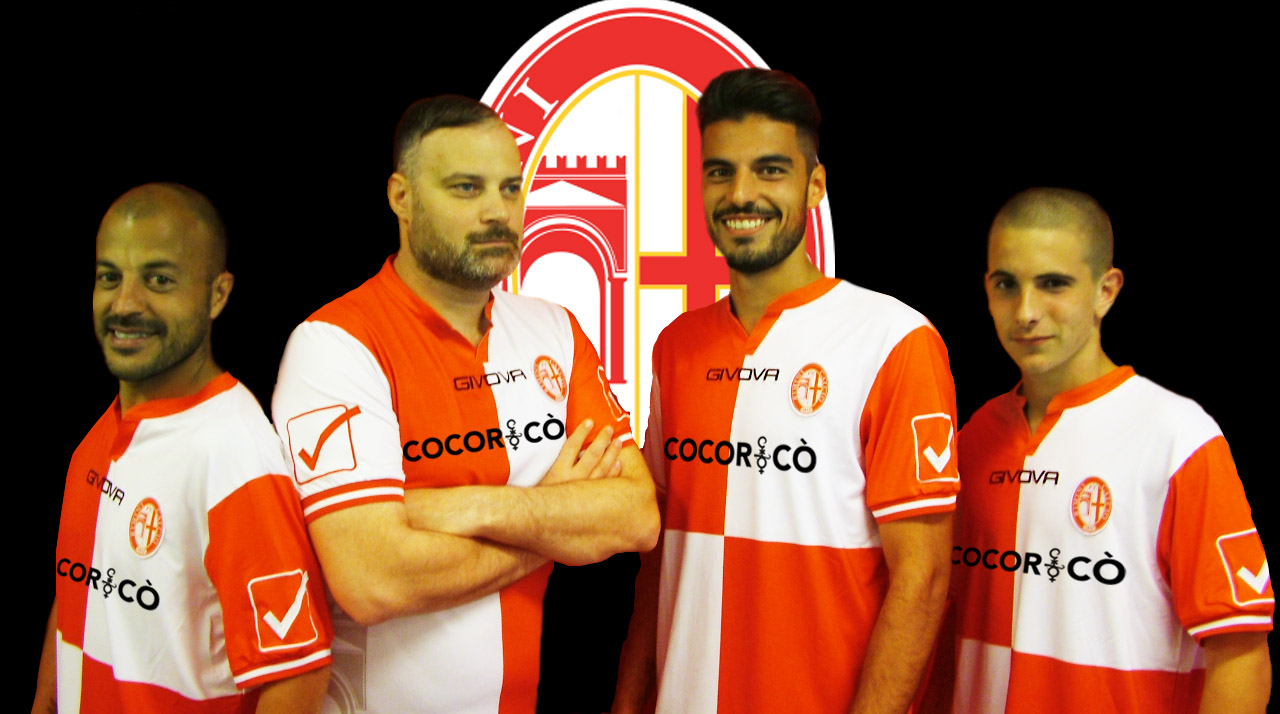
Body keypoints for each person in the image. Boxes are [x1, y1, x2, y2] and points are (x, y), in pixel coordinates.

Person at [270, 95, 659, 714]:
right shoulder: (334, 345)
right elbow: (373, 580)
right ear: (401, 197)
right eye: (466, 188)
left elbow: (636, 516)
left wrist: (453, 507)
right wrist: (555, 521)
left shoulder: (554, 329)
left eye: (510, 188)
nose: (497, 212)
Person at [613, 68, 960, 714]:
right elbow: (660, 563)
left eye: (770, 170)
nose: (741, 193)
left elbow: (925, 580)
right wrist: (629, 701)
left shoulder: (894, 340)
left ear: (815, 185)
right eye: (720, 172)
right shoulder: (676, 347)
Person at [946, 187, 1272, 713]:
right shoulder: (975, 437)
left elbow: (1241, 654)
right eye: (1007, 285)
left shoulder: (1177, 438)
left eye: (1053, 284)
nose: (1025, 311)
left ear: (1106, 290)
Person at [33, 183, 332, 713]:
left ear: (217, 295)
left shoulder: (233, 456)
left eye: (159, 280)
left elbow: (297, 675)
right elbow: (82, 583)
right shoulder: (105, 433)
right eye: (109, 277)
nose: (125, 304)